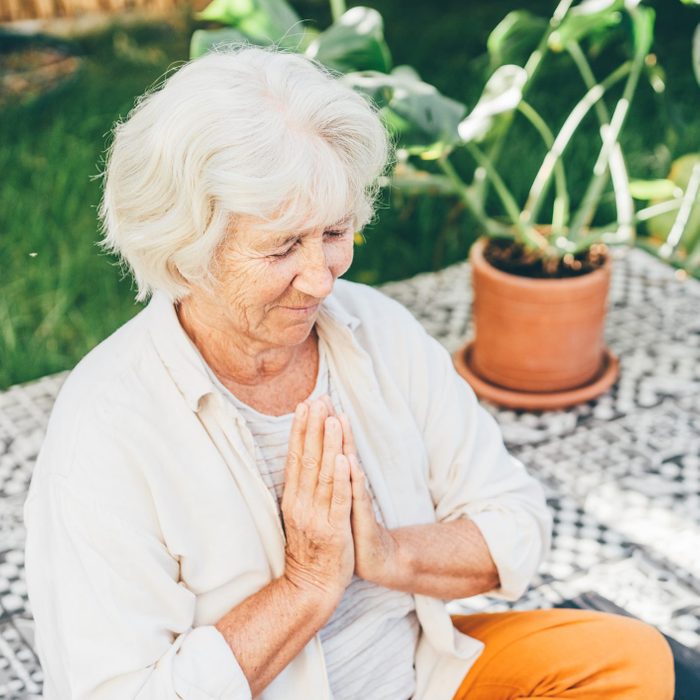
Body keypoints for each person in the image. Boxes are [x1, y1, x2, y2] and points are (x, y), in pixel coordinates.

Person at [23, 46, 674, 700]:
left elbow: (516, 524)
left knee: (632, 662)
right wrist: (306, 586)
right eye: (282, 247)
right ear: (184, 250)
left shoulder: (376, 330)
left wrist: (390, 554)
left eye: (334, 233)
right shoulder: (105, 432)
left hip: (421, 678)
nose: (320, 277)